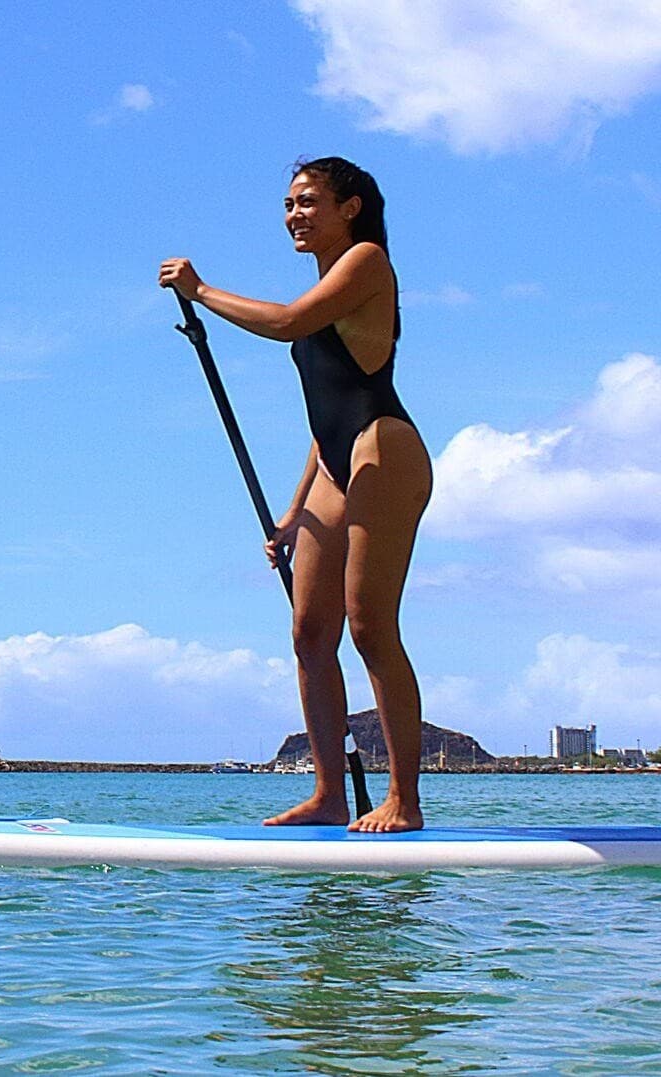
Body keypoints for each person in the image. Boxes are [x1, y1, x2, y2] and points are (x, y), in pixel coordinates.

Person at [159, 157, 433, 833]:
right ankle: (330, 795)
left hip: (383, 450)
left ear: (353, 207)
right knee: (311, 634)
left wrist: (200, 291)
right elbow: (321, 420)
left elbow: (285, 323)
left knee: (369, 629)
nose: (294, 215)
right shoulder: (328, 281)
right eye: (287, 204)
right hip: (335, 465)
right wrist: (291, 511)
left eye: (308, 201)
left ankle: (404, 799)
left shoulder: (368, 261)